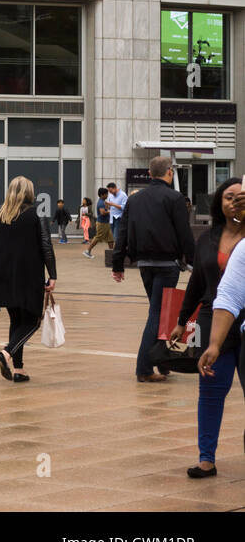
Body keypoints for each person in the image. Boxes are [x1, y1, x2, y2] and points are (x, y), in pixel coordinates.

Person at [170, 178, 244, 478]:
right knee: (211, 391)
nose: (235, 203)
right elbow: (196, 284)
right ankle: (206, 458)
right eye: (229, 197)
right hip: (214, 321)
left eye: (241, 197)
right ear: (219, 203)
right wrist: (182, 321)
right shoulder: (207, 238)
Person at [112, 157, 195, 383]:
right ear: (169, 173)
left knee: (159, 312)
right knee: (158, 313)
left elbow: (123, 232)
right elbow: (184, 234)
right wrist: (195, 263)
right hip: (168, 264)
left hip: (144, 264)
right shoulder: (175, 198)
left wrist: (118, 263)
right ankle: (144, 367)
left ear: (150, 173)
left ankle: (162, 360)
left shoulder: (134, 200)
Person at [0, 175, 56, 382]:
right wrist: (52, 275)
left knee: (17, 320)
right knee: (34, 321)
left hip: (2, 276)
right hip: (28, 276)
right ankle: (6, 353)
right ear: (29, 192)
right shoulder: (37, 214)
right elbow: (46, 246)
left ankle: (19, 370)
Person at [85, 187, 113, 259]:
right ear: (101, 195)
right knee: (98, 237)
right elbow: (102, 213)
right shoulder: (101, 203)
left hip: (106, 223)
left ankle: (112, 253)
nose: (107, 195)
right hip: (102, 223)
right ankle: (87, 250)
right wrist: (110, 211)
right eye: (106, 194)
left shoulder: (103, 201)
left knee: (110, 238)